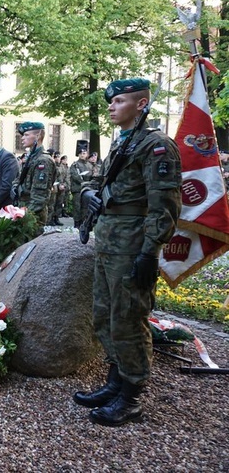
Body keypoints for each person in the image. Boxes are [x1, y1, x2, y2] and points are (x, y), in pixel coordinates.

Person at [73, 78, 181, 427]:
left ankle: (132, 397)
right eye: (110, 101)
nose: (110, 106)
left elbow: (163, 204)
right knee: (105, 316)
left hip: (132, 246)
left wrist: (150, 252)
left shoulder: (157, 146)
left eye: (118, 101)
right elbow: (102, 184)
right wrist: (88, 193)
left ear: (141, 103)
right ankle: (115, 382)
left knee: (129, 319)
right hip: (109, 242)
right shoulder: (121, 145)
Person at [11, 122, 55, 232]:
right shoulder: (32, 157)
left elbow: (40, 196)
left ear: (38, 136)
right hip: (24, 210)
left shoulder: (43, 160)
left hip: (33, 216)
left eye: (26, 135)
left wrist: (25, 215)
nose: (22, 138)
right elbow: (19, 178)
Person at [70, 148, 94, 228]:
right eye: (81, 153)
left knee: (85, 207)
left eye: (84, 153)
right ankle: (77, 224)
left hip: (87, 189)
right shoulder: (75, 165)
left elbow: (93, 175)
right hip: (78, 189)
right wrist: (83, 182)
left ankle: (84, 223)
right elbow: (75, 176)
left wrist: (90, 182)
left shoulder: (89, 165)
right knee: (77, 207)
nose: (82, 155)